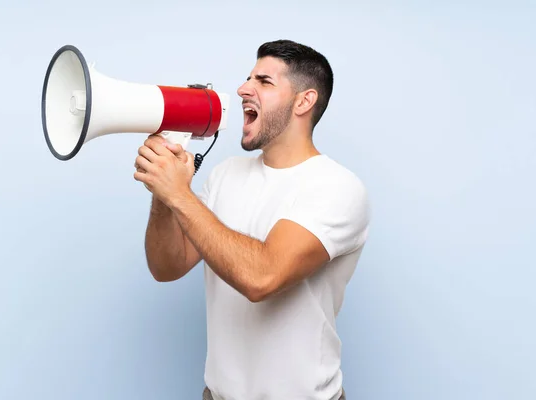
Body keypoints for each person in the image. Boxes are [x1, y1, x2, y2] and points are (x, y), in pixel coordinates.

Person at [133, 39, 370, 400]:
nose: (244, 89)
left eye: (264, 81)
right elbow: (167, 266)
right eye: (248, 78)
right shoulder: (226, 174)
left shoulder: (337, 187)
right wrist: (163, 195)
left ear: (304, 101)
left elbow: (262, 277)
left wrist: (180, 194)